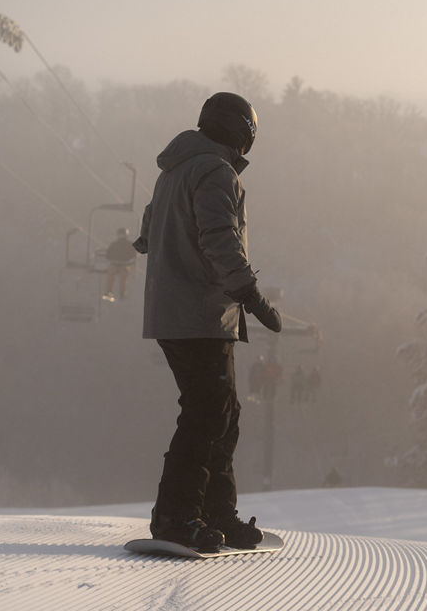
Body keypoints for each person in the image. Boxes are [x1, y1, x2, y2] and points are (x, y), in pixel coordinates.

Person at [133, 92, 281, 552]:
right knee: (207, 415)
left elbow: (149, 231)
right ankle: (177, 517)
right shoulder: (214, 171)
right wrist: (249, 292)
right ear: (242, 134)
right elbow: (219, 238)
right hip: (199, 313)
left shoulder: (176, 169)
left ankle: (215, 513)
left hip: (178, 312)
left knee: (221, 414)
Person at [102, 227, 136, 302]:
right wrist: (113, 259)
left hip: (124, 264)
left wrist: (127, 260)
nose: (122, 236)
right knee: (111, 276)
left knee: (123, 278)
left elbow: (133, 254)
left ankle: (122, 293)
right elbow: (108, 254)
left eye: (122, 235)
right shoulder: (114, 244)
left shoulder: (129, 244)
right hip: (115, 263)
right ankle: (109, 292)